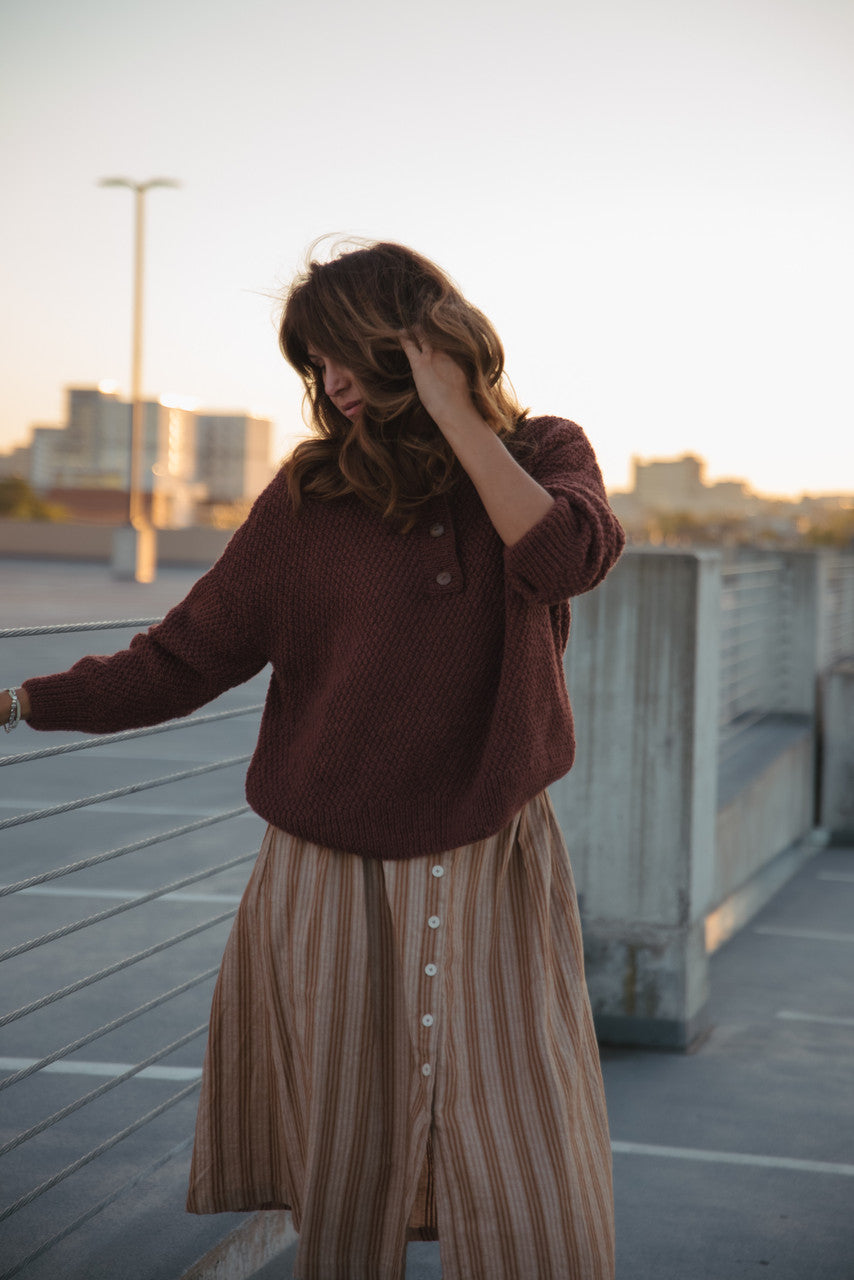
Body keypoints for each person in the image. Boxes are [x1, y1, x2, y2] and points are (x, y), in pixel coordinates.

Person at [2, 240, 625, 1280]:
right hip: (327, 867)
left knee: (526, 1157)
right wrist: (24, 702)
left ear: (415, 341)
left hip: (489, 856)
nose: (329, 382)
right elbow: (185, 655)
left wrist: (459, 415)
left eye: (343, 353)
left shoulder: (544, 449)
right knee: (349, 1162)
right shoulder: (309, 494)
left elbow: (561, 557)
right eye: (313, 363)